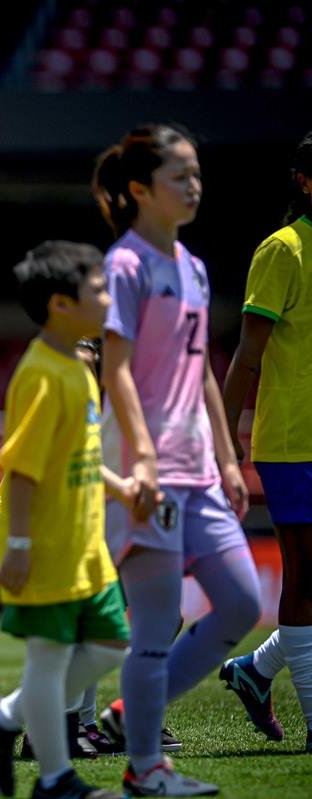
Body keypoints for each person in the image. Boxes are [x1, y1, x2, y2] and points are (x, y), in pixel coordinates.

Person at [93, 124, 261, 795]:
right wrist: (143, 457)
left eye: (197, 174)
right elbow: (118, 370)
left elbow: (205, 374)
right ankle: (144, 766)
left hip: (199, 470)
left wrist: (226, 455)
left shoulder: (192, 265)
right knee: (157, 625)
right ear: (140, 190)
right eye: (179, 176)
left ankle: (133, 714)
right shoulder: (125, 266)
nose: (194, 186)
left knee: (242, 603)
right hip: (148, 470)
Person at [0, 241, 128, 799]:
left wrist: (123, 487)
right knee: (50, 658)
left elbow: (80, 455)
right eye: (99, 288)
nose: (109, 296)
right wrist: (23, 544)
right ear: (61, 303)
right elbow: (24, 471)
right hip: (47, 544)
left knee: (111, 645)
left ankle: (3, 716)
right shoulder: (40, 374)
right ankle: (55, 779)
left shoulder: (81, 368)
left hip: (87, 544)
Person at [220, 129, 312, 754]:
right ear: (304, 180)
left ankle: (255, 671)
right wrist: (225, 442)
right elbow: (248, 356)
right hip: (293, 443)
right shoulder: (283, 250)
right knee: (305, 578)